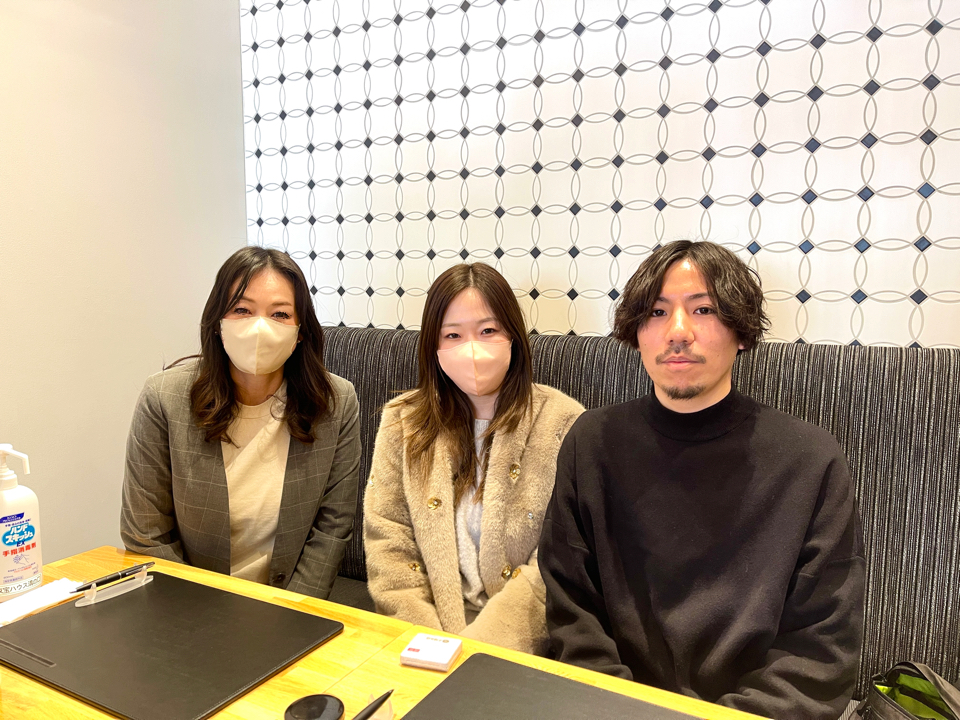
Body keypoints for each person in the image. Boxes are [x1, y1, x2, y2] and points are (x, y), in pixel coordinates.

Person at [539, 240, 865, 719]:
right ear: (636, 332)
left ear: (741, 331)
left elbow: (820, 652)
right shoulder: (592, 442)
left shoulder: (810, 459)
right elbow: (572, 615)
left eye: (704, 309)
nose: (678, 331)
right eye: (656, 312)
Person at [363, 263, 584, 654]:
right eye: (453, 335)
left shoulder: (563, 422)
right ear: (434, 347)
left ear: (513, 336)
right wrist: (428, 644)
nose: (472, 349)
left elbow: (556, 560)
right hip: (423, 635)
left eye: (488, 331)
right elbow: (389, 540)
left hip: (521, 642)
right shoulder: (403, 421)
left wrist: (478, 652)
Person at [120, 247, 360, 600]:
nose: (260, 327)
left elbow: (333, 525)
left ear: (301, 331)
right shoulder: (163, 398)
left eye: (280, 314)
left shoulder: (336, 402)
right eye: (242, 310)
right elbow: (145, 534)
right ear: (218, 322)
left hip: (291, 605)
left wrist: (293, 610)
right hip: (189, 603)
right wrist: (204, 618)